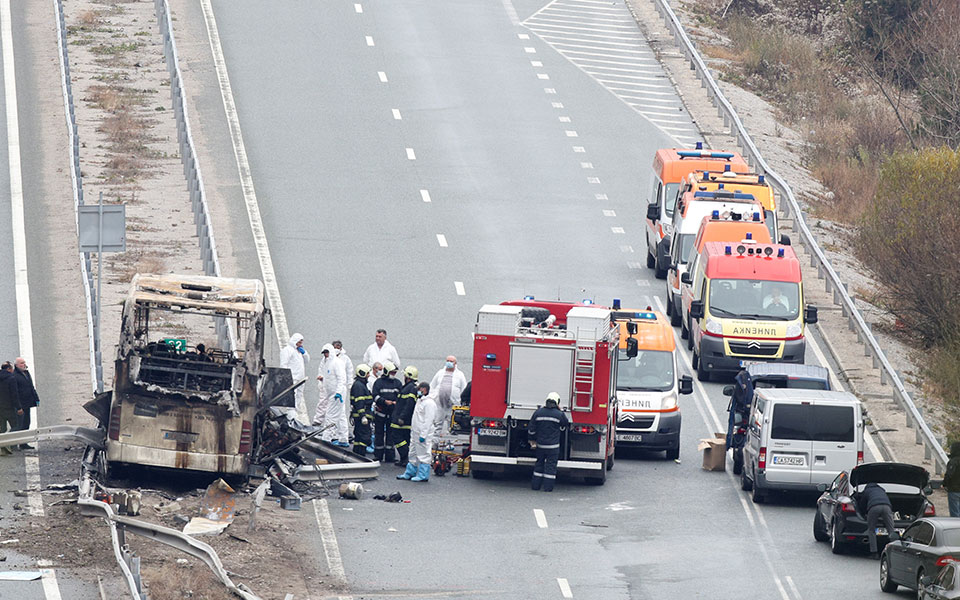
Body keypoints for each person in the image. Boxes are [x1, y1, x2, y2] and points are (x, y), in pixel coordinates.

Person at [529, 392, 568, 492]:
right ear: (557, 402)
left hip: (541, 445)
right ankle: (548, 488)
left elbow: (531, 429)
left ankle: (535, 486)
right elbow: (565, 424)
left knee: (539, 464)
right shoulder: (559, 414)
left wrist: (532, 439)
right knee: (551, 466)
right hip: (553, 447)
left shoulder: (538, 412)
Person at [398, 381, 437, 482]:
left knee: (423, 454)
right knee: (413, 453)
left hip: (423, 434)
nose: (417, 392)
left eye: (419, 389)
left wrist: (423, 434)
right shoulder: (420, 401)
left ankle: (423, 475)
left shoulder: (429, 403)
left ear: (424, 390)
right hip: (415, 432)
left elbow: (428, 420)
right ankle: (410, 472)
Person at [317, 344, 349, 446]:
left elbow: (341, 378)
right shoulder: (327, 363)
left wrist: (338, 392)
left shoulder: (337, 363)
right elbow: (329, 378)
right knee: (340, 416)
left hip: (336, 394)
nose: (326, 355)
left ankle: (326, 440)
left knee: (330, 416)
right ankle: (343, 439)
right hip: (332, 393)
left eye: (327, 352)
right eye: (324, 353)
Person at [371, 362, 402, 463]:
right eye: (392, 372)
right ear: (387, 372)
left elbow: (400, 396)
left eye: (394, 372)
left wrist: (396, 403)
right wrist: (384, 402)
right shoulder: (378, 382)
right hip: (380, 413)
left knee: (391, 434)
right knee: (379, 434)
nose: (393, 374)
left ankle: (390, 456)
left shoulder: (397, 383)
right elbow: (375, 396)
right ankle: (378, 455)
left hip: (392, 414)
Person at [859, 482, 899, 558]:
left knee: (871, 530)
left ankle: (874, 553)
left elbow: (862, 504)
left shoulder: (867, 491)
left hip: (874, 507)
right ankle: (894, 553)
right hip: (887, 507)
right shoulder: (881, 490)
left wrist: (863, 513)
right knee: (891, 530)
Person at [429, 356, 468, 432]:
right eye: (448, 361)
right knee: (437, 424)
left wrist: (461, 402)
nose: (449, 363)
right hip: (440, 405)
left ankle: (451, 442)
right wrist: (432, 397)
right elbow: (432, 386)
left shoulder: (460, 375)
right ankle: (435, 442)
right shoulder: (440, 373)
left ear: (455, 363)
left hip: (453, 406)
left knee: (452, 425)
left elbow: (464, 389)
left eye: (451, 361)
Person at [279, 334, 310, 424]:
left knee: (299, 396)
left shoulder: (299, 351)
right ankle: (291, 416)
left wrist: (304, 353)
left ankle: (294, 414)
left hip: (300, 379)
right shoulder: (287, 350)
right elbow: (283, 364)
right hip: (292, 378)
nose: (300, 344)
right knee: (292, 397)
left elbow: (307, 360)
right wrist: (285, 378)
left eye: (301, 342)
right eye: (299, 342)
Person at [391, 366, 418, 466]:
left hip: (402, 420)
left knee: (397, 437)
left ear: (409, 377)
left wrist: (402, 417)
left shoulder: (410, 389)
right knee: (406, 439)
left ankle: (405, 456)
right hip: (405, 419)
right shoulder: (409, 387)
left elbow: (408, 405)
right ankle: (404, 459)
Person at [13, 357, 40, 449]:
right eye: (21, 363)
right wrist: (18, 406)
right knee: (19, 425)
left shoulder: (26, 373)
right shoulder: (15, 376)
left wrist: (36, 398)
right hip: (20, 405)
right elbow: (15, 393)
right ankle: (14, 444)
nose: (23, 364)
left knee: (26, 423)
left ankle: (23, 443)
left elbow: (31, 387)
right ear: (16, 365)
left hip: (27, 403)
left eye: (24, 362)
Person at [350, 365, 374, 456]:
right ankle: (361, 454)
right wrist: (363, 416)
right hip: (362, 417)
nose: (368, 375)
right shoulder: (359, 386)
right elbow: (359, 402)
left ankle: (357, 454)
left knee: (359, 437)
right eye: (367, 373)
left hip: (359, 416)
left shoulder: (360, 385)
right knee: (364, 437)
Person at [0, 362, 23, 456]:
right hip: (9, 407)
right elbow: (14, 394)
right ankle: (8, 444)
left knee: (2, 428)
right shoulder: (11, 378)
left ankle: (3, 445)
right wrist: (19, 407)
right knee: (15, 426)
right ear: (9, 369)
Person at [944, 442, 960, 517]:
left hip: (954, 490)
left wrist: (945, 484)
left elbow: (949, 474)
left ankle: (956, 527)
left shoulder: (953, 461)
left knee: (955, 513)